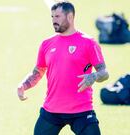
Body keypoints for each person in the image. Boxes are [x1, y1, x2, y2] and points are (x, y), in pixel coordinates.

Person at [17, 1, 109, 135]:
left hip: (81, 111)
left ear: (70, 17)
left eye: (58, 17)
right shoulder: (46, 44)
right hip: (52, 111)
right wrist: (24, 85)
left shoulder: (89, 43)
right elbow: (38, 71)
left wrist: (94, 76)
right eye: (52, 17)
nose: (54, 20)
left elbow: (104, 72)